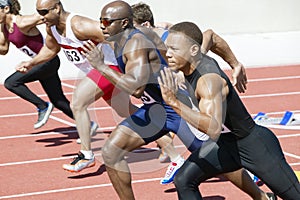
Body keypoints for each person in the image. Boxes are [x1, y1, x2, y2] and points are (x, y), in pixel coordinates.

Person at [82, 1, 275, 199]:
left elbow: (137, 88)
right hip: (155, 110)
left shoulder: (137, 42)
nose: (102, 26)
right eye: (100, 21)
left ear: (124, 23)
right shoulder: (116, 38)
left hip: (177, 107)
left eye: (106, 21)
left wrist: (101, 66)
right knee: (111, 151)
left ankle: (261, 196)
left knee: (220, 158)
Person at [158, 21, 300, 200]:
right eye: (167, 48)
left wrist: (174, 103)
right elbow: (211, 35)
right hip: (224, 145)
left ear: (192, 51)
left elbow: (213, 127)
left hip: (254, 145)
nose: (168, 54)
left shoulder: (208, 82)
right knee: (183, 179)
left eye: (175, 49)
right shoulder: (196, 56)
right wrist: (235, 64)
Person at [16, 0, 136, 173]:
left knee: (78, 103)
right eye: (38, 12)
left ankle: (86, 154)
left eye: (43, 12)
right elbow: (50, 50)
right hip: (97, 72)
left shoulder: (80, 25)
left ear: (57, 8)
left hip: (108, 67)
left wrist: (136, 64)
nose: (40, 18)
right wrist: (31, 63)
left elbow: (118, 38)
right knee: (125, 110)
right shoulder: (52, 28)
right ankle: (167, 141)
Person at [131, 2, 248, 171]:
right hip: (176, 104)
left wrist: (235, 64)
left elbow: (209, 35)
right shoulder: (144, 42)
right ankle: (175, 157)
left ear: (146, 25)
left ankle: (248, 171)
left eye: (132, 28)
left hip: (199, 98)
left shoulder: (166, 40)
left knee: (214, 145)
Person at [0, 0, 66, 129]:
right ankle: (88, 126)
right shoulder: (4, 28)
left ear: (6, 9)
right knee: (59, 101)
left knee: (11, 82)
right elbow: (3, 49)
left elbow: (45, 16)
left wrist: (60, 31)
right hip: (40, 63)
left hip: (47, 61)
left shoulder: (22, 22)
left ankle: (43, 106)